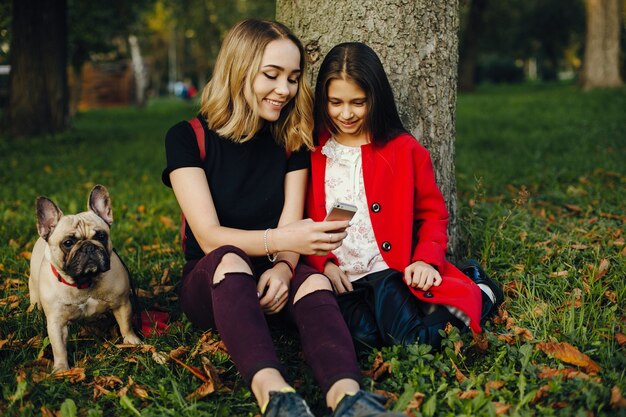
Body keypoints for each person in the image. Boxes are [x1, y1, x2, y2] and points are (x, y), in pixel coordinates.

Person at [163, 21, 403, 417]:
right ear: (238, 69)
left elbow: (292, 221)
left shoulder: (291, 135)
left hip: (277, 266)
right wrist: (281, 244)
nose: (285, 90)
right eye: (271, 76)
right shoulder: (187, 137)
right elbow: (209, 237)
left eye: (293, 78)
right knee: (229, 257)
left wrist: (286, 269)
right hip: (212, 278)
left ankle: (348, 395)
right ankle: (275, 396)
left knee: (315, 284)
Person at [305, 42, 504, 353]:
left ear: (376, 98)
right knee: (362, 342)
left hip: (387, 270)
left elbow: (433, 213)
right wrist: (323, 264)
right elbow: (303, 218)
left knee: (408, 342)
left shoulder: (403, 150)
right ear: (323, 100)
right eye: (335, 102)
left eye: (358, 102)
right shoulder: (313, 151)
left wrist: (426, 258)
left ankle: (480, 292)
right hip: (340, 277)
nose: (346, 113)